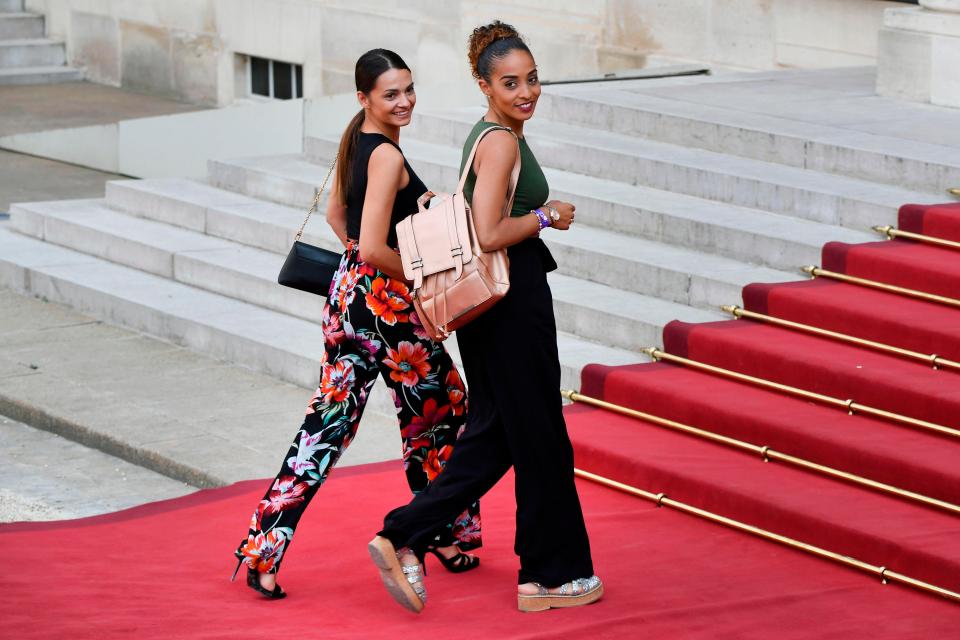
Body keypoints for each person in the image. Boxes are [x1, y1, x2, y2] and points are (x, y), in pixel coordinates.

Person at [368, 22, 602, 613]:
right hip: (511, 300)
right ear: (484, 84)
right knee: (542, 436)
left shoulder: (490, 133)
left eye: (532, 78)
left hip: (491, 309)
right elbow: (491, 228)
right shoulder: (499, 140)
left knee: (497, 435)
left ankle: (402, 535)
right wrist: (547, 216)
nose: (527, 91)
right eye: (510, 82)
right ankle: (551, 575)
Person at [232, 48, 480, 600]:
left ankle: (262, 550)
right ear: (364, 97)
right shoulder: (386, 155)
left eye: (409, 89)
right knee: (444, 409)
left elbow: (339, 220)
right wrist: (417, 282)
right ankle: (434, 529)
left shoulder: (356, 141)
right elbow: (373, 245)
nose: (405, 101)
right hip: (386, 306)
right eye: (391, 94)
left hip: (347, 300)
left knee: (327, 428)